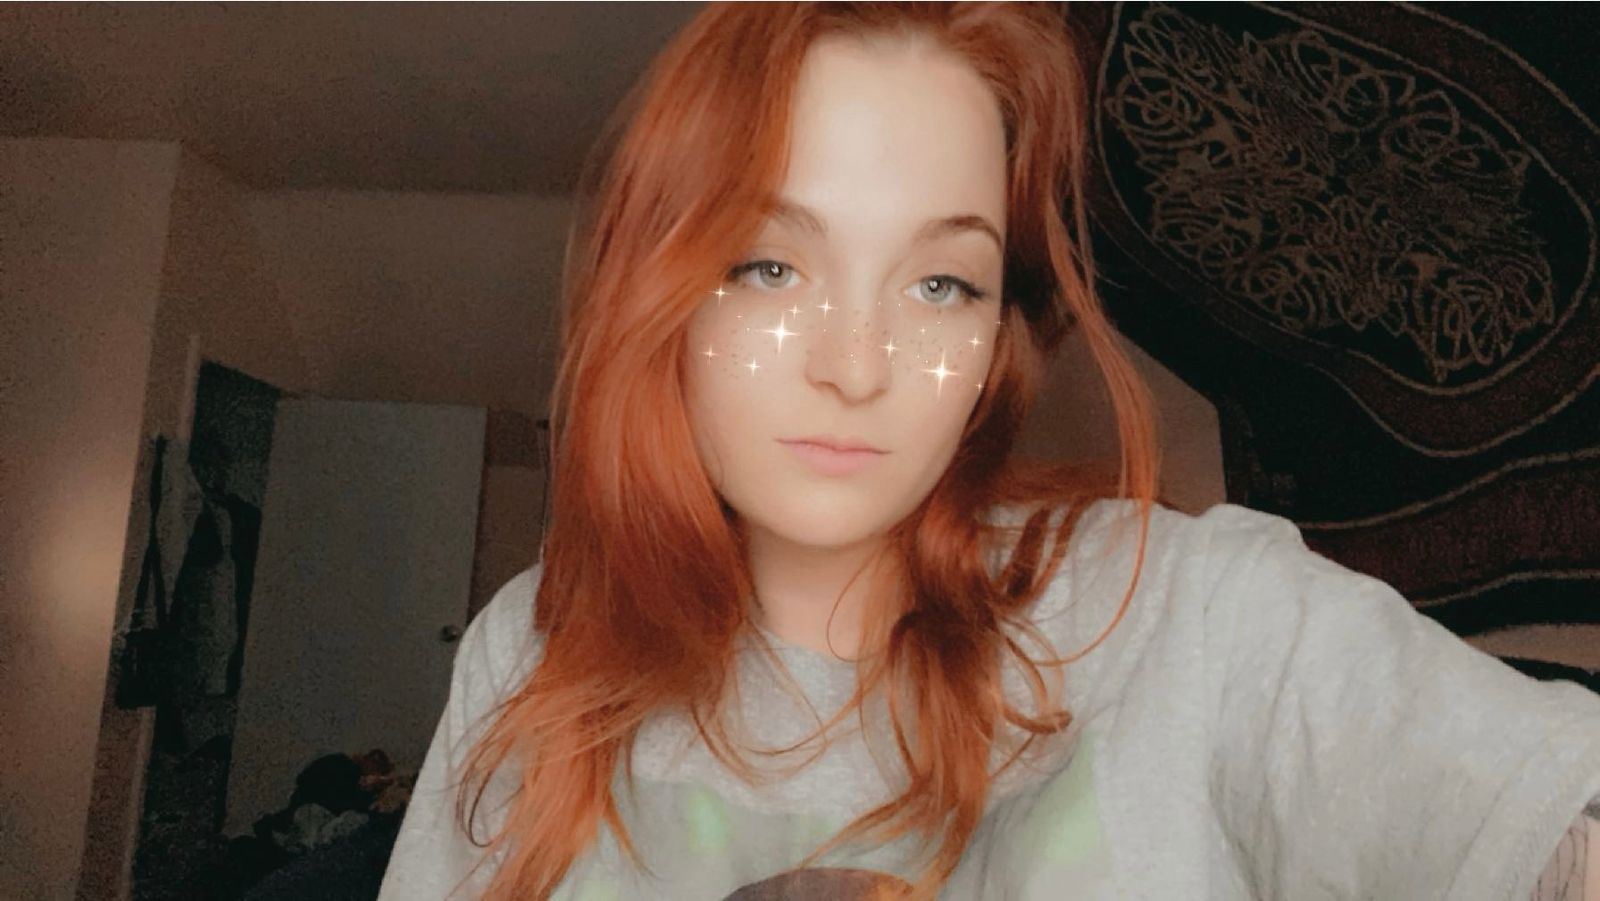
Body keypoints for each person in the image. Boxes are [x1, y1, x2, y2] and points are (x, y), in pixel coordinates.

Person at [378, 4, 1600, 899]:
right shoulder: (538, 646)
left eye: (942, 284)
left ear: (996, 337)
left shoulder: (1183, 612)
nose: (857, 365)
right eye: (770, 265)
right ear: (664, 287)